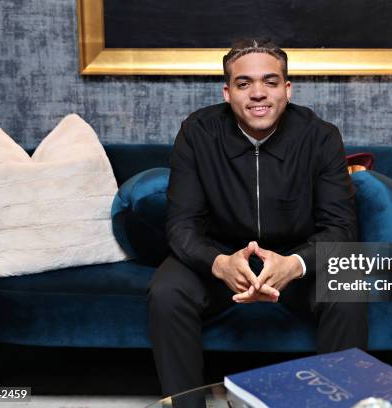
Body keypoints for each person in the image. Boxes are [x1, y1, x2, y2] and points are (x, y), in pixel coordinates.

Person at [147, 38, 367, 396]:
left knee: (347, 287)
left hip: (296, 257)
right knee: (166, 291)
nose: (258, 94)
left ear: (287, 89)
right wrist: (219, 263)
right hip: (220, 256)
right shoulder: (197, 133)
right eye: (244, 84)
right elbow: (181, 225)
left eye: (270, 81)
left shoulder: (321, 136)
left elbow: (341, 228)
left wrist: (294, 264)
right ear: (227, 93)